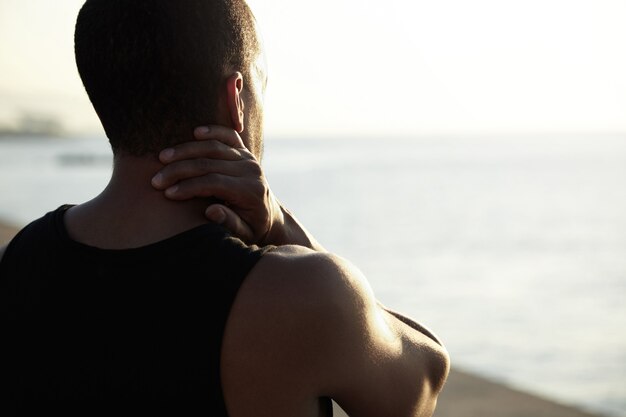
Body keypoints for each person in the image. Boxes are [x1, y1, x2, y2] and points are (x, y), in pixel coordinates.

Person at [0, 0, 450, 416]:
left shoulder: (22, 258)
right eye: (261, 84)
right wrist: (280, 225)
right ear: (235, 99)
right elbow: (425, 380)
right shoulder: (298, 293)